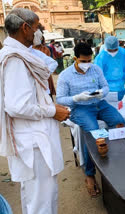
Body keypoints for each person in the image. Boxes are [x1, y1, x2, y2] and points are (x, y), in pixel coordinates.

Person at [0, 8, 70, 214]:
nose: (38, 33)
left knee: (36, 197)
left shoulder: (21, 55)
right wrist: (51, 111)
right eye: (37, 27)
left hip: (34, 139)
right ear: (25, 27)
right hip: (34, 143)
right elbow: (16, 106)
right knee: (42, 201)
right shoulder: (15, 60)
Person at [56, 42, 125, 197]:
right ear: (75, 58)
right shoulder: (65, 76)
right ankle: (89, 174)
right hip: (80, 108)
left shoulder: (96, 69)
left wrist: (102, 93)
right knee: (94, 132)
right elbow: (60, 99)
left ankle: (116, 160)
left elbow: (106, 87)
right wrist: (76, 98)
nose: (88, 64)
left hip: (99, 103)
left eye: (89, 60)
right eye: (84, 61)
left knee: (120, 123)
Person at [94, 36, 125, 101]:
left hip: (122, 86)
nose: (113, 52)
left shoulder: (123, 53)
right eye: (110, 50)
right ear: (106, 47)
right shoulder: (101, 57)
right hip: (107, 88)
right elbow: (98, 74)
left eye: (115, 50)